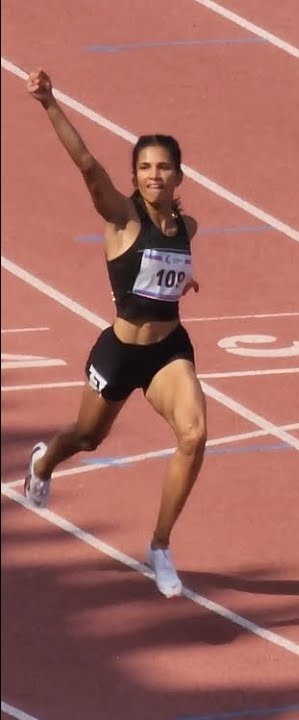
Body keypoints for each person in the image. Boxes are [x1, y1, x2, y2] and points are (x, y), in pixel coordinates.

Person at [22, 69, 207, 598]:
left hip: (169, 351)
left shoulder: (187, 228)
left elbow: (164, 269)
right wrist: (49, 102)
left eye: (163, 167)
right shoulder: (123, 217)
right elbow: (87, 164)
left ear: (178, 176)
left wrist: (182, 279)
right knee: (87, 437)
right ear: (135, 176)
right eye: (145, 167)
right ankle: (43, 462)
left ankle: (160, 546)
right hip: (121, 352)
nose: (154, 175)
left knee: (194, 436)